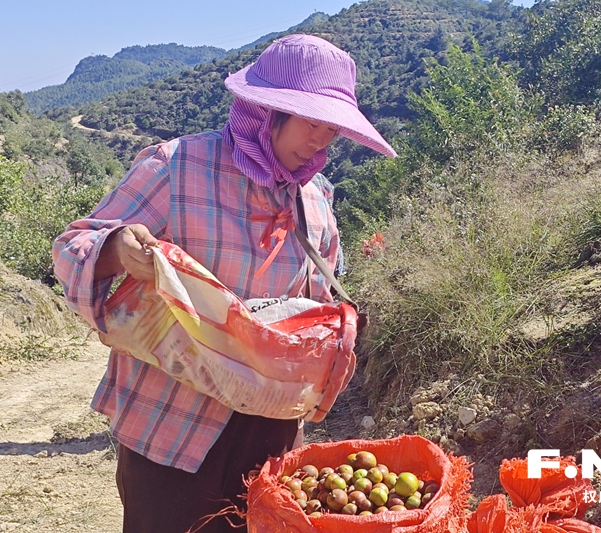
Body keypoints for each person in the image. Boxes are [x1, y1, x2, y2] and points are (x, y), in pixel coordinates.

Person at [52, 34, 396, 533]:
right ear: (265, 111)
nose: (322, 140)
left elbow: (316, 304)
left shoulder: (316, 200)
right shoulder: (177, 167)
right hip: (170, 426)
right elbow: (71, 247)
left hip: (268, 435)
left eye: (333, 129)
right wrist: (118, 248)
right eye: (312, 122)